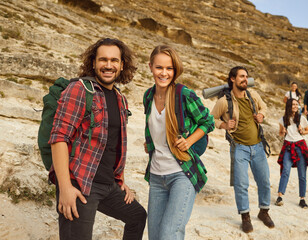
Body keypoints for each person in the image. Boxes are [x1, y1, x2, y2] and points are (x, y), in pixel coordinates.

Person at [49, 38, 147, 240]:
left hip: (107, 184)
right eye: (103, 60)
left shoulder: (120, 99)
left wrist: (120, 180)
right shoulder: (80, 89)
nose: (108, 65)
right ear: (93, 63)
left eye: (114, 60)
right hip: (79, 183)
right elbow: (59, 138)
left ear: (122, 65)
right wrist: (66, 187)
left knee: (137, 216)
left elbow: (112, 144)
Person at [143, 45, 214, 240]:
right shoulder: (148, 96)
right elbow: (154, 127)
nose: (164, 73)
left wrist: (189, 141)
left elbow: (208, 121)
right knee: (155, 236)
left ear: (175, 70)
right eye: (159, 68)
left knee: (169, 234)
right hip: (156, 177)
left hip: (182, 174)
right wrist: (150, 143)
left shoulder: (183, 94)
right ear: (150, 67)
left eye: (169, 69)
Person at [211, 66, 274, 233]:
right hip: (239, 148)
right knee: (241, 184)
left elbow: (264, 108)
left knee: (264, 181)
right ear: (232, 79)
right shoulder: (224, 102)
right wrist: (224, 124)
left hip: (258, 146)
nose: (245, 79)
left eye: (246, 76)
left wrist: (262, 115)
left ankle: (264, 212)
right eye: (241, 76)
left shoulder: (253, 95)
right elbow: (211, 119)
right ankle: (245, 217)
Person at [275, 99, 308, 209]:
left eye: (296, 104)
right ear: (289, 106)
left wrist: (302, 131)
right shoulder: (283, 120)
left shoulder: (301, 118)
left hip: (300, 147)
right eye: (293, 104)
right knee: (285, 171)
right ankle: (280, 196)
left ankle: (302, 199)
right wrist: (282, 132)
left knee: (302, 174)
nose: (295, 106)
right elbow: (280, 133)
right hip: (288, 146)